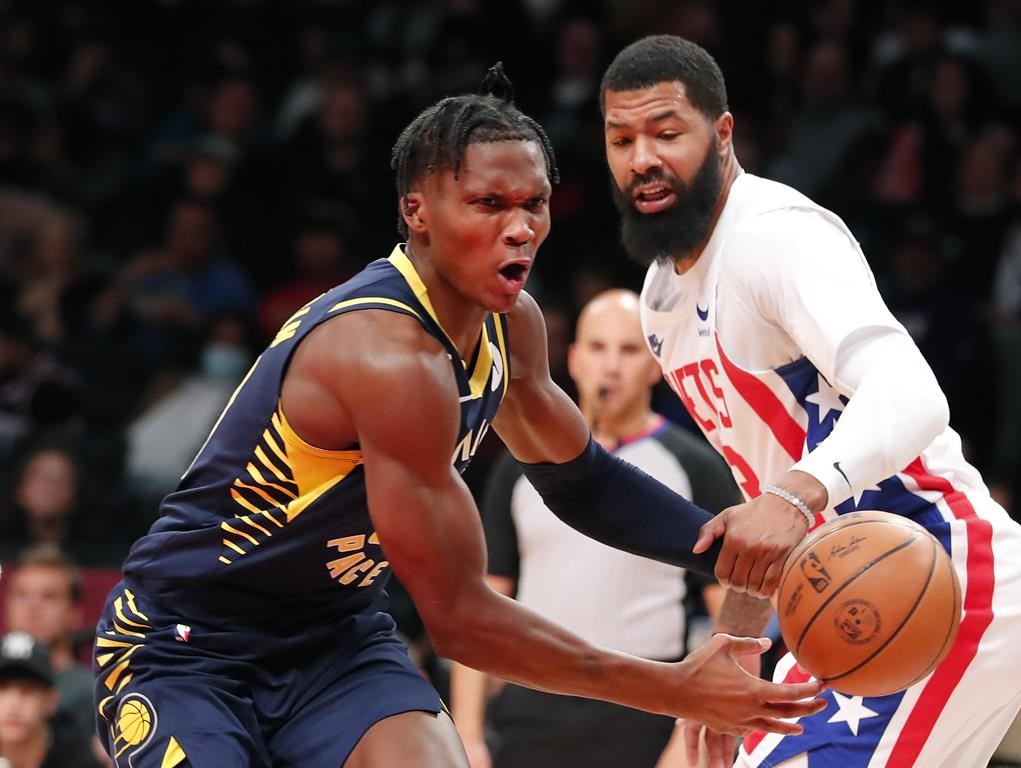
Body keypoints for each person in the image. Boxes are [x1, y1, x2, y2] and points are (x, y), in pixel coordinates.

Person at [91, 66, 824, 768]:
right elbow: (458, 617)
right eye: (488, 204)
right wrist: (672, 689)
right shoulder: (387, 358)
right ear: (418, 212)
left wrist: (731, 552)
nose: (521, 229)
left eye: (532, 203)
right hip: (186, 645)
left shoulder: (512, 327)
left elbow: (581, 483)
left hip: (333, 637)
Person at [600, 34, 1021, 768]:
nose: (642, 158)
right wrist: (736, 645)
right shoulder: (660, 300)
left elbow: (912, 393)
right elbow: (759, 502)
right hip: (840, 605)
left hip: (938, 572)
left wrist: (797, 496)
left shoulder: (774, 238)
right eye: (621, 139)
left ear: (722, 134)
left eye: (666, 133)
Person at [450, 288, 742, 768]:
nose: (611, 366)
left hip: (648, 704)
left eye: (628, 350)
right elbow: (483, 598)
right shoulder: (521, 462)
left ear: (654, 366)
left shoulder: (694, 466)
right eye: (598, 348)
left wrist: (688, 730)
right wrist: (467, 732)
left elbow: (731, 614)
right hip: (533, 702)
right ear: (573, 359)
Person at [4, 544, 96, 748]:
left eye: (48, 597)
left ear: (74, 613)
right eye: (21, 595)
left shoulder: (95, 695)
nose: (32, 607)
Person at [0, 630, 103, 768]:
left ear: (51, 701)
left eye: (28, 690)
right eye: (3, 688)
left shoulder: (80, 761)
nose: (14, 703)